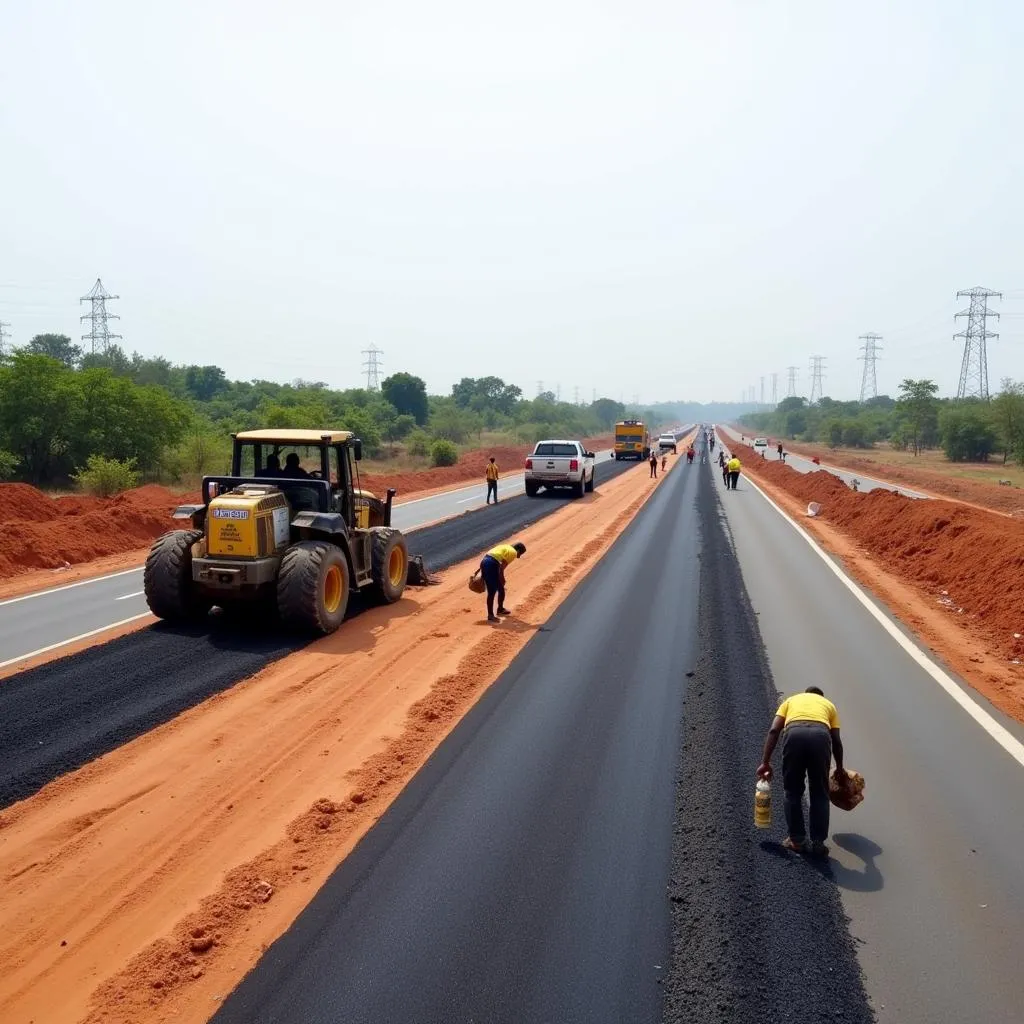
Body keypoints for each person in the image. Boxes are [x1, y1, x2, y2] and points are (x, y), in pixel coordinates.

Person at [757, 686, 845, 858]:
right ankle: (818, 843)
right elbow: (836, 739)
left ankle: (797, 841)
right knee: (820, 792)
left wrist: (765, 762)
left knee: (792, 791)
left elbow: (774, 730)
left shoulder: (790, 700)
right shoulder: (829, 705)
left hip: (794, 734)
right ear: (821, 697)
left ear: (805, 694)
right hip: (821, 737)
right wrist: (840, 768)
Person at [479, 541, 526, 623]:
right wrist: (502, 579)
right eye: (520, 554)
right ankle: (497, 611)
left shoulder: (505, 547)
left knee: (492, 591)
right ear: (518, 551)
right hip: (492, 564)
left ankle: (494, 612)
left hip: (484, 562)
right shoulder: (513, 552)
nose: (518, 556)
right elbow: (501, 568)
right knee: (499, 590)